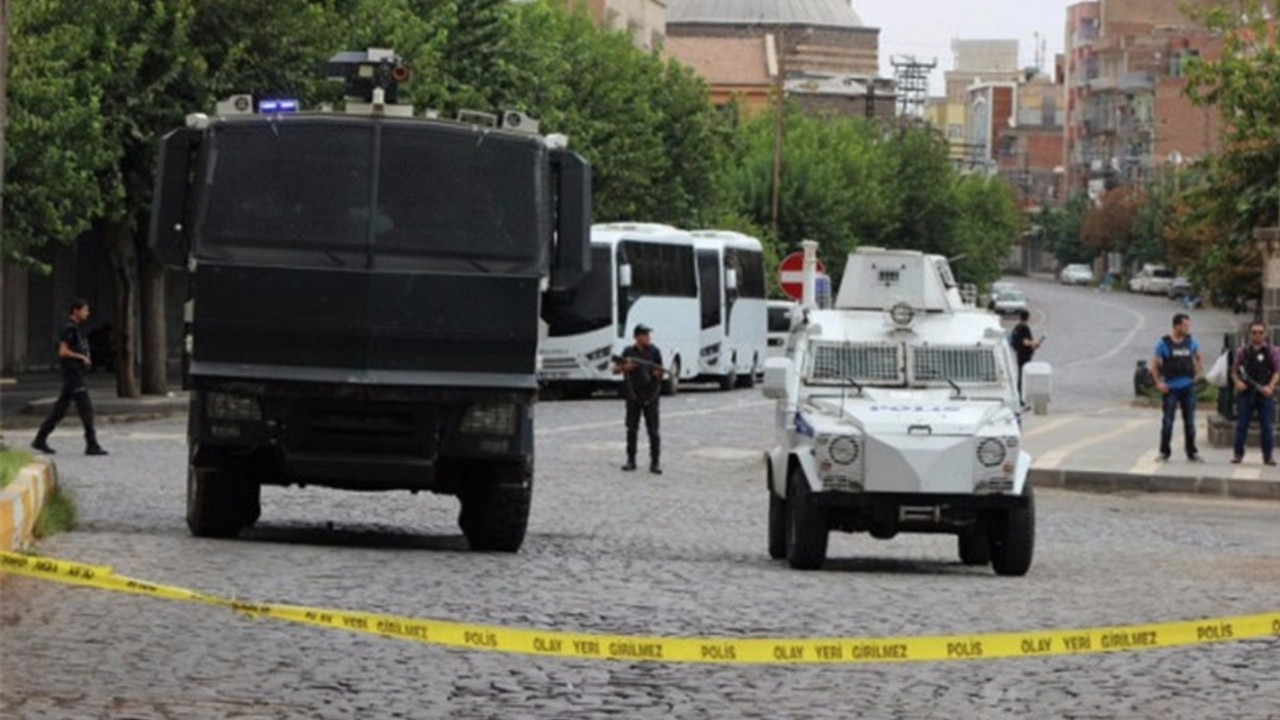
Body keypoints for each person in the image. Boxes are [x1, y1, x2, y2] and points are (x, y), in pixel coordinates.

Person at [32, 298, 108, 456]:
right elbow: (63, 351)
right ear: (76, 310)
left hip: (73, 373)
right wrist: (81, 357)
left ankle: (40, 439)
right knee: (85, 407)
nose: (87, 313)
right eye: (85, 310)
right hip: (72, 372)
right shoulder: (69, 328)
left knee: (60, 409)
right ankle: (91, 443)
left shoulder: (73, 328)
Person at [1151, 312, 1203, 462]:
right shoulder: (1163, 343)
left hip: (1187, 387)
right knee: (1168, 421)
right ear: (1176, 326)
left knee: (1190, 422)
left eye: (1188, 325)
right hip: (1171, 387)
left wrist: (1198, 373)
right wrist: (1158, 383)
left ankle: (1192, 452)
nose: (1187, 328)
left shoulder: (1190, 342)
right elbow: (1154, 365)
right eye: (1185, 325)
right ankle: (1164, 452)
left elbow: (1199, 356)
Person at [612, 324, 663, 474]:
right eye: (644, 335)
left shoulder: (654, 352)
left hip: (651, 395)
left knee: (653, 430)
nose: (648, 338)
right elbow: (615, 370)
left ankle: (655, 462)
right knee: (632, 429)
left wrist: (656, 373)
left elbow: (660, 372)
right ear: (637, 337)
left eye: (648, 335)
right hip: (633, 395)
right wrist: (625, 368)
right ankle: (631, 459)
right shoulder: (628, 352)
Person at [1230, 322, 1280, 466]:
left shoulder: (1272, 351)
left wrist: (1270, 387)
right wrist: (1237, 383)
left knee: (1266, 426)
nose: (1257, 335)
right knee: (1242, 425)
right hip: (1246, 392)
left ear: (1265, 334)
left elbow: (1277, 371)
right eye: (1254, 332)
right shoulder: (1242, 351)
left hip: (1265, 393)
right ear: (1249, 334)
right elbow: (1234, 371)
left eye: (1260, 332)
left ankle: (1268, 456)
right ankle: (1238, 454)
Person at [1009, 309, 1041, 407]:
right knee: (1023, 376)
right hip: (1024, 354)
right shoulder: (1025, 328)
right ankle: (1021, 398)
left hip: (1019, 353)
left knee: (1021, 374)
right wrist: (1035, 344)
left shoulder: (1017, 327)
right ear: (1028, 317)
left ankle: (1020, 396)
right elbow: (1025, 342)